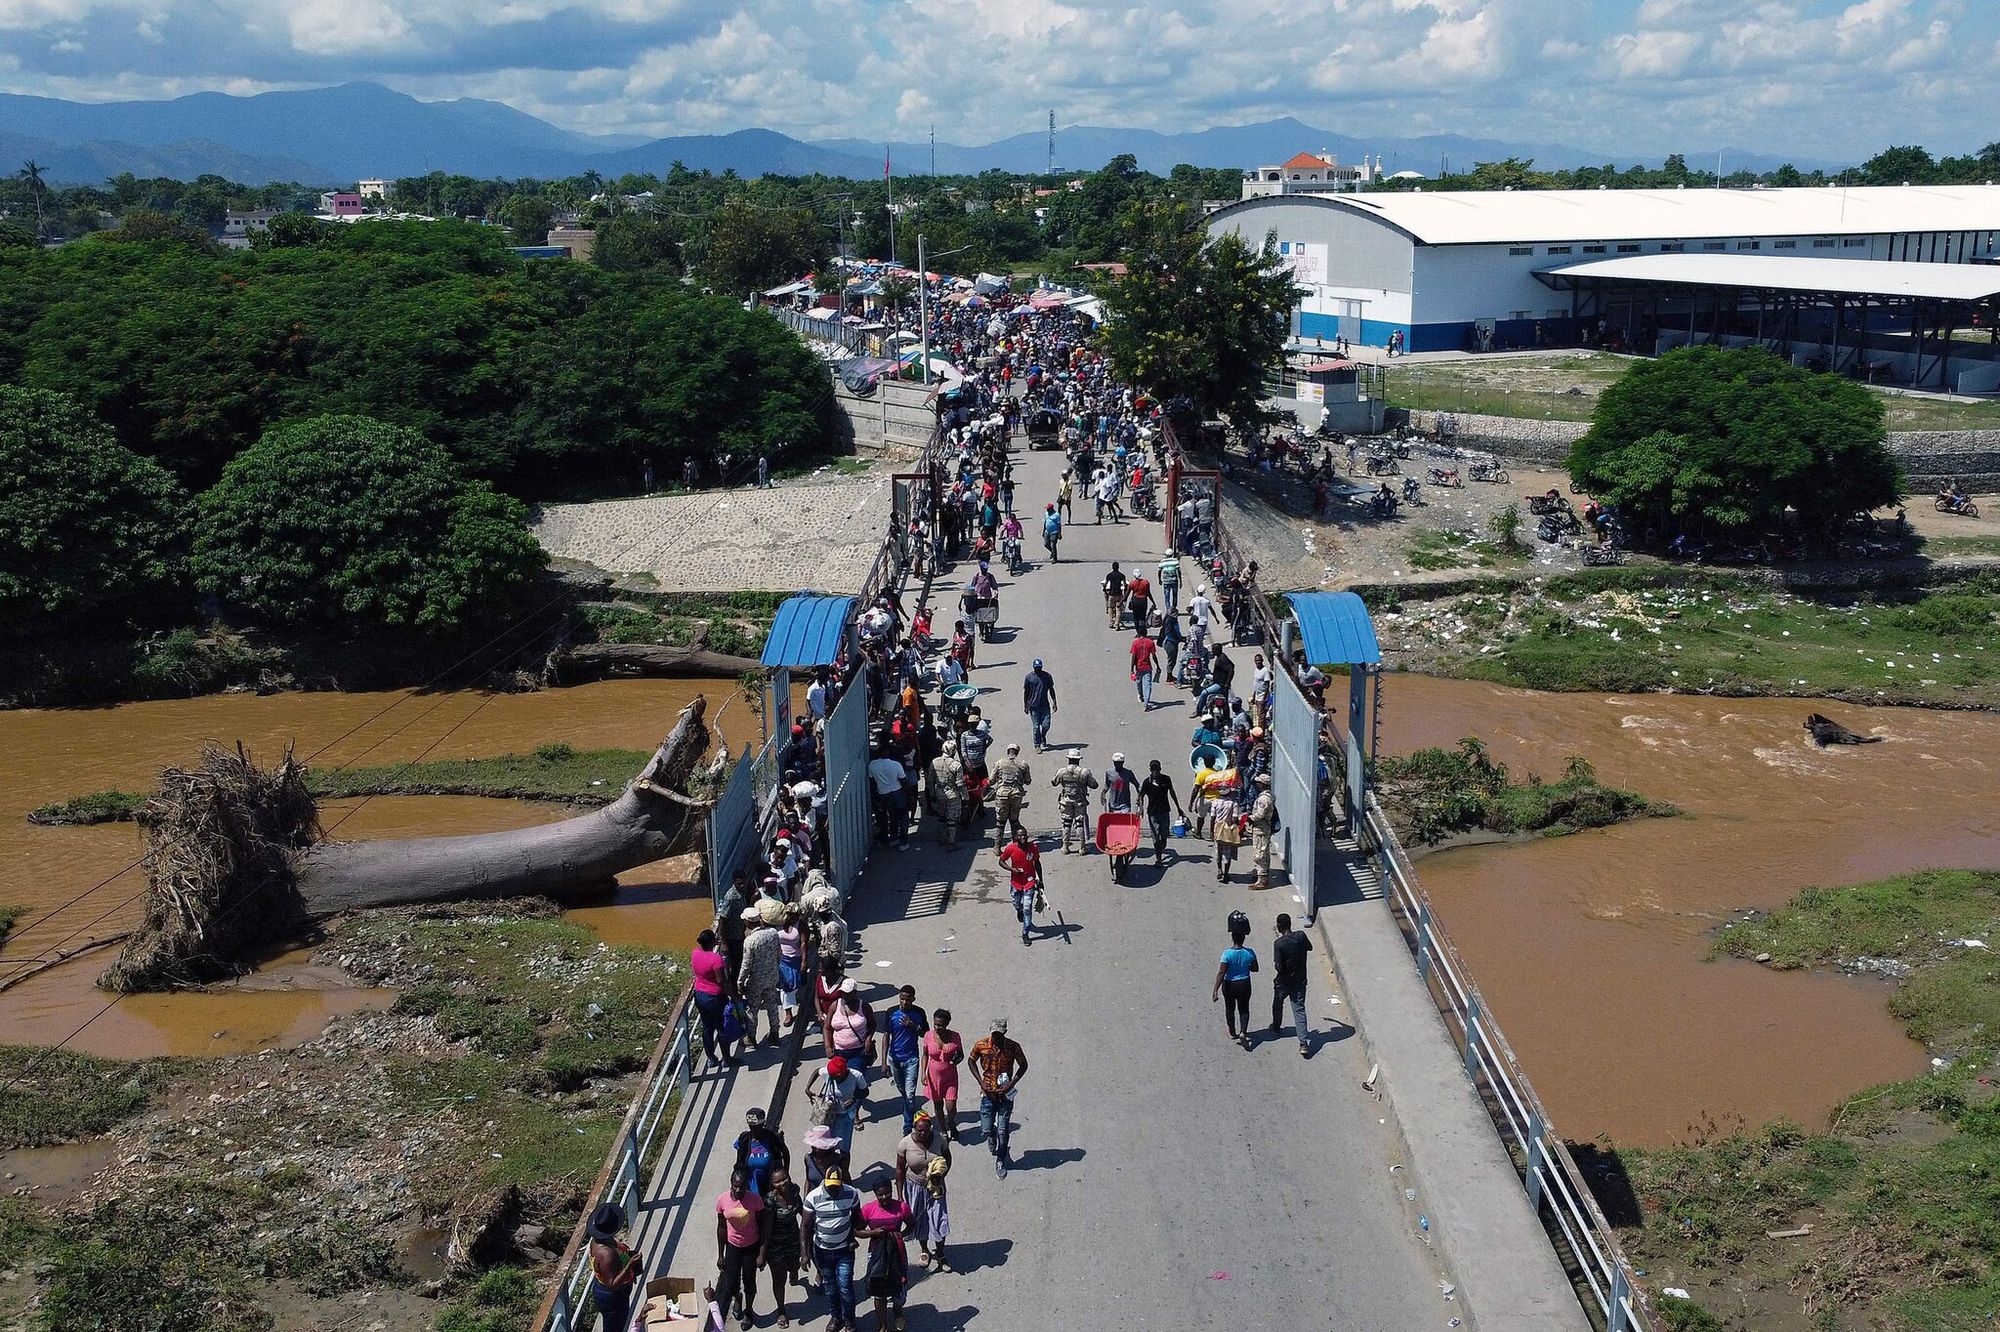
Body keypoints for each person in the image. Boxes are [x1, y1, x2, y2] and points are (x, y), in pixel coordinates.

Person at [802, 1166, 862, 1332]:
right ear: (824, 1183)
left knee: (845, 1287)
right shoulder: (813, 1197)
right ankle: (836, 1317)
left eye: (837, 1186)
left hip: (844, 1251)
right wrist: (804, 1253)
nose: (833, 1190)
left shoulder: (852, 1193)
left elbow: (857, 1217)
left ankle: (850, 1320)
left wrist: (852, 1237)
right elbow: (805, 1226)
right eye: (830, 1186)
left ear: (842, 1183)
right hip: (822, 1251)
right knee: (830, 1287)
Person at [969, 1018, 1028, 1177]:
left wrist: (1012, 1082)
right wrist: (980, 1082)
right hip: (987, 1094)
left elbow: (1024, 1065)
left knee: (1003, 1129)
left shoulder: (1013, 1047)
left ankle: (1001, 1159)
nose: (997, 1037)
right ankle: (991, 1136)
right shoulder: (981, 1045)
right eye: (994, 1034)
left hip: (1005, 1095)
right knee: (986, 1129)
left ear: (1005, 1033)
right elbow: (971, 1061)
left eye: (1000, 1034)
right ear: (990, 1032)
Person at [896, 1111, 952, 1271]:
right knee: (919, 1218)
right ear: (914, 1128)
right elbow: (899, 1169)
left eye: (926, 1130)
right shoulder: (905, 1144)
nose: (923, 1133)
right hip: (915, 1186)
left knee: (939, 1217)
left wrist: (942, 1174)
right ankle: (925, 1250)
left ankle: (941, 1253)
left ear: (930, 1128)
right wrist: (900, 1196)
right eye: (919, 1130)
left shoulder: (939, 1140)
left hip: (936, 1187)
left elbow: (948, 1157)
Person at [715, 1165, 768, 1331]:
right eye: (735, 1186)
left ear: (747, 1185)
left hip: (751, 1246)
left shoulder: (755, 1200)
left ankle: (749, 1311)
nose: (738, 1190)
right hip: (733, 1246)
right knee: (731, 1284)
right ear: (731, 1183)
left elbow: (762, 1225)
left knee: (749, 1282)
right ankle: (738, 1298)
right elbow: (721, 1228)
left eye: (742, 1187)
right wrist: (721, 1254)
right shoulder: (722, 1200)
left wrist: (761, 1253)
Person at [860, 1174, 914, 1331]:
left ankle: (898, 1311)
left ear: (891, 1191)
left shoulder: (902, 1207)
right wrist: (873, 1233)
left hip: (897, 1252)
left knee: (900, 1286)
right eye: (880, 1194)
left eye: (887, 1193)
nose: (884, 1197)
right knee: (879, 1289)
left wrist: (901, 1235)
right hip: (876, 1253)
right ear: (875, 1195)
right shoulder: (868, 1210)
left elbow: (912, 1224)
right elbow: (857, 1230)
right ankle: (883, 1324)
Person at [587, 1202, 643, 1332]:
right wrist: (630, 1265)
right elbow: (611, 1285)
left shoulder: (598, 1240)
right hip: (614, 1298)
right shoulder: (607, 1255)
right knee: (615, 1327)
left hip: (608, 1292)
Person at [763, 1165, 806, 1328]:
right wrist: (762, 1254)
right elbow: (766, 1229)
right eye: (778, 1181)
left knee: (795, 1266)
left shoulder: (795, 1191)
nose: (782, 1183)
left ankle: (793, 1272)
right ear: (772, 1184)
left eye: (784, 1178)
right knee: (779, 1279)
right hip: (776, 1246)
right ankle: (781, 1310)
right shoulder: (770, 1200)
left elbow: (804, 1213)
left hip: (794, 1240)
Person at [883, 985, 928, 1134]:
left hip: (911, 1059)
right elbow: (886, 1036)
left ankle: (907, 1126)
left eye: (908, 1000)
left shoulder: (919, 1013)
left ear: (913, 999)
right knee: (902, 1090)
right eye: (902, 999)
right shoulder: (891, 1013)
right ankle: (908, 1106)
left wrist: (913, 1026)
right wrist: (884, 1062)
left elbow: (925, 1035)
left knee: (910, 1094)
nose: (904, 1002)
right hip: (894, 1058)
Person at [1211, 915, 1260, 1048]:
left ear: (1232, 938)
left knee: (1230, 1008)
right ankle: (1243, 1031)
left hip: (1229, 985)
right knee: (1244, 1009)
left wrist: (1215, 989)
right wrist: (1246, 965)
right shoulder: (1250, 952)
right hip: (1244, 984)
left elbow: (1222, 973)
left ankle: (1232, 1032)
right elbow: (1255, 969)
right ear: (1244, 938)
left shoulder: (1227, 954)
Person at [1271, 912, 1314, 1057]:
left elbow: (1279, 967)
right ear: (1289, 924)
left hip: (1283, 982)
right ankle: (1303, 1043)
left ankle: (1276, 1026)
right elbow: (1310, 947)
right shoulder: (1301, 936)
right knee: (1299, 1010)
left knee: (1277, 1003)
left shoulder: (1279, 943)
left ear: (1278, 927)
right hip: (1300, 981)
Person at [691, 929, 736, 1068]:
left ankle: (711, 1058)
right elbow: (721, 980)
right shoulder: (715, 959)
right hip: (715, 997)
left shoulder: (695, 953)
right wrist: (733, 996)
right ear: (712, 942)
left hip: (699, 995)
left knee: (707, 1027)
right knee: (722, 1028)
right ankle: (727, 1059)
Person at [738, 909, 782, 1045]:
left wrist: (740, 981)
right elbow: (779, 954)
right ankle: (774, 1033)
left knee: (753, 1009)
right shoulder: (773, 933)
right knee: (772, 1006)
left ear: (747, 922)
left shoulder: (750, 941)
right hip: (772, 976)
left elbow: (746, 965)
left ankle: (751, 1037)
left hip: (756, 981)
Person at [810, 1054, 868, 1154]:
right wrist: (807, 1088)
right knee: (827, 1144)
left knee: (844, 1145)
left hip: (845, 1115)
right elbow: (817, 1071)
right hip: (827, 1114)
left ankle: (844, 1167)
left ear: (840, 1075)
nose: (830, 1077)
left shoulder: (856, 1076)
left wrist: (853, 1099)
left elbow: (865, 1092)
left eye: (833, 1076)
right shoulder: (829, 1071)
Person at [922, 1008, 964, 1142]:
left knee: (951, 1106)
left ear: (947, 1024)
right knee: (938, 1105)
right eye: (935, 1024)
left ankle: (951, 1122)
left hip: (950, 1075)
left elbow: (961, 1054)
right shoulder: (928, 1035)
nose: (937, 1027)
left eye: (940, 1025)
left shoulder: (955, 1036)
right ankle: (943, 1130)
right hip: (933, 1075)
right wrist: (923, 1073)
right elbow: (925, 1055)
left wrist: (956, 1060)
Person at [997, 831, 1043, 946]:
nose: (1023, 837)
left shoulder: (1033, 847)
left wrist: (1041, 880)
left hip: (1030, 883)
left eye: (1024, 835)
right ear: (1015, 838)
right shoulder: (1010, 848)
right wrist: (1012, 870)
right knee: (1016, 903)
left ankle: (1025, 933)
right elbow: (1001, 861)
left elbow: (1037, 863)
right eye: (1020, 835)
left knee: (1027, 908)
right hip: (1016, 883)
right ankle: (1019, 911)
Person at [734, 1105, 791, 1197]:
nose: (754, 1129)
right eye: (751, 1126)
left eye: (757, 1126)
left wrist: (785, 1172)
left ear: (762, 1124)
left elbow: (785, 1153)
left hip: (770, 1180)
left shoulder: (773, 1138)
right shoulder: (744, 1139)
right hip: (752, 1182)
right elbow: (739, 1161)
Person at [1051, 748, 1098, 854]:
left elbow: (1054, 783)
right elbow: (1094, 785)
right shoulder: (1084, 772)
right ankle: (1082, 847)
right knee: (1079, 823)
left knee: (1066, 824)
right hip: (1079, 801)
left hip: (1066, 801)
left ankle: (1065, 846)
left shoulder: (1062, 771)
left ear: (1068, 759)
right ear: (1078, 760)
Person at [1139, 759, 1185, 859]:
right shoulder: (1147, 782)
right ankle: (1158, 859)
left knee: (1164, 835)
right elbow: (1141, 796)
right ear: (1150, 770)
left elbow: (1172, 793)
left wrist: (1178, 807)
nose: (1155, 771)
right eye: (1153, 769)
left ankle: (1162, 843)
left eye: (1157, 769)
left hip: (1164, 811)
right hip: (1152, 813)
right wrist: (1141, 808)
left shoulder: (1166, 779)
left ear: (1160, 769)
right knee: (1156, 837)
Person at [988, 741, 1032, 846]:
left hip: (1001, 795)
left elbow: (991, 781)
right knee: (1014, 821)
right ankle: (1017, 845)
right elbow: (1028, 781)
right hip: (1016, 795)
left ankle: (997, 847)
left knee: (1000, 823)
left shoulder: (999, 763)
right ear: (1017, 752)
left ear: (1008, 751)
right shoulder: (1023, 764)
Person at [867, 749, 910, 851]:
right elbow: (903, 781)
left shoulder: (872, 765)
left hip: (883, 794)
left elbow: (872, 781)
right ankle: (903, 842)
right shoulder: (896, 765)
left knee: (892, 816)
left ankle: (893, 839)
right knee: (903, 817)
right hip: (897, 792)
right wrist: (909, 794)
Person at [1247, 772, 1280, 891]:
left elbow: (1260, 814)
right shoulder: (1269, 795)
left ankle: (1262, 880)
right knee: (1263, 852)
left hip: (1261, 829)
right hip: (1262, 828)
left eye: (1258, 782)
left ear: (1262, 784)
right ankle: (1260, 874)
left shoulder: (1264, 799)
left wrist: (1249, 818)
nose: (1257, 784)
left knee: (1260, 854)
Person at [929, 741, 964, 848]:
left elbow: (930, 781)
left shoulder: (934, 762)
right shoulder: (956, 765)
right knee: (952, 819)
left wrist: (932, 794)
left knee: (941, 817)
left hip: (939, 793)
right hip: (952, 794)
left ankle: (942, 838)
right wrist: (965, 796)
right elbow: (960, 784)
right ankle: (951, 842)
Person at [1022, 658, 1058, 751]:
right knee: (1036, 727)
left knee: (1046, 725)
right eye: (1036, 667)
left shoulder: (1047, 676)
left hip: (1045, 705)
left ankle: (1043, 736)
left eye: (1039, 667)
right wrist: (1025, 705)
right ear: (1033, 668)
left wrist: (1054, 702)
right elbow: (1026, 692)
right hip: (1033, 706)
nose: (1038, 669)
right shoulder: (1029, 678)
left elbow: (1051, 689)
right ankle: (1037, 745)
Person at [802, 1123, 850, 1192]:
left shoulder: (839, 1160)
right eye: (814, 1150)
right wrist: (805, 1199)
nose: (818, 1158)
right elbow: (808, 1180)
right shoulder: (808, 1158)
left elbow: (847, 1182)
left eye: (823, 1153)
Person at [1129, 630, 1160, 710]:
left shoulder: (1135, 643)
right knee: (1147, 685)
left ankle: (1141, 695)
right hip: (1147, 667)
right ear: (1146, 633)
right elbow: (1153, 656)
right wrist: (1157, 666)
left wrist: (1132, 669)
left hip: (1138, 667)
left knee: (1139, 682)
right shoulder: (1150, 642)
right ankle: (1146, 703)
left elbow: (1133, 657)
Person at [1102, 561, 1127, 629]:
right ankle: (1117, 624)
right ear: (1118, 567)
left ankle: (1111, 622)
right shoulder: (1122, 575)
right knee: (1118, 609)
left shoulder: (1109, 575)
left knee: (1110, 608)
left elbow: (1106, 583)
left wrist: (1104, 588)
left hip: (1112, 594)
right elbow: (1125, 585)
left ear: (1112, 567)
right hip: (1119, 594)